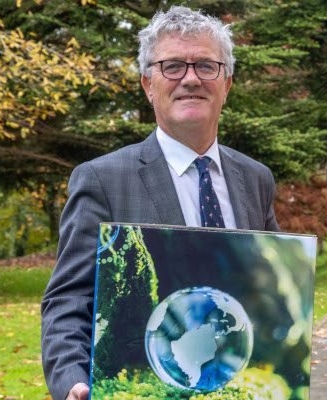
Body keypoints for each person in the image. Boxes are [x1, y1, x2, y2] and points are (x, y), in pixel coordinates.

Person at [41, 7, 279, 400]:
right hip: (144, 385)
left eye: (206, 65)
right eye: (171, 66)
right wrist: (72, 380)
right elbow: (69, 299)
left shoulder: (255, 178)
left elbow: (260, 286)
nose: (190, 78)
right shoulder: (102, 179)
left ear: (227, 83)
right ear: (148, 85)